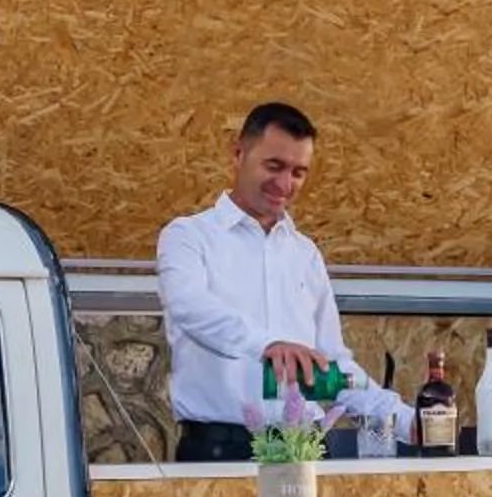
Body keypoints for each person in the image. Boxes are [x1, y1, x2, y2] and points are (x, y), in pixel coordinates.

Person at [155, 102, 377, 463]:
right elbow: (190, 308)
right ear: (238, 153)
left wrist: (403, 419)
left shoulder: (305, 254)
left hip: (306, 451)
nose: (285, 184)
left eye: (299, 172)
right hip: (220, 453)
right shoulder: (187, 236)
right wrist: (269, 345)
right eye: (274, 166)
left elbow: (333, 362)